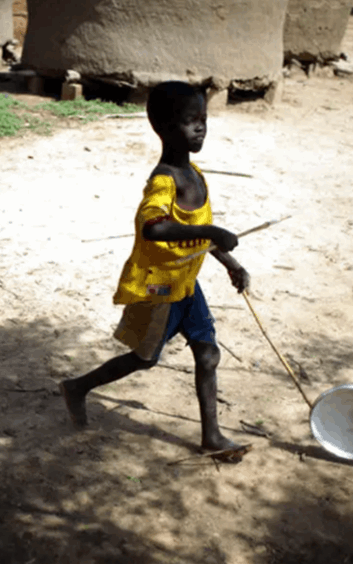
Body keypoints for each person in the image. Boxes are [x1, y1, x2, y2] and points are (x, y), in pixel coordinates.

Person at [59, 81, 251, 457]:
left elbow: (196, 238)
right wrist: (211, 230)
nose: (200, 128)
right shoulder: (163, 180)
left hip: (186, 285)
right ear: (162, 128)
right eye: (189, 122)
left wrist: (231, 264)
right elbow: (154, 227)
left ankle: (211, 437)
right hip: (159, 289)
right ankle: (78, 387)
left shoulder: (196, 174)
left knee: (208, 355)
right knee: (143, 360)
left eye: (204, 120)